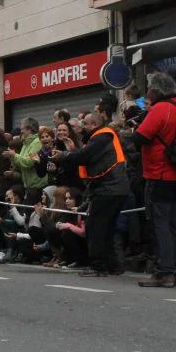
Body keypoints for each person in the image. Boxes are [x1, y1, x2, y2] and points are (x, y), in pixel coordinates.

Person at [133, 73, 176, 288]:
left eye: (149, 89)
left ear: (157, 90)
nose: (147, 93)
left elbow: (140, 137)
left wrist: (135, 127)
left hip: (161, 173)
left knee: (161, 224)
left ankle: (164, 272)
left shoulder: (161, 108)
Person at [52, 113, 129, 277]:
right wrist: (73, 151)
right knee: (107, 228)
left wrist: (64, 155)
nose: (82, 126)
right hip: (115, 188)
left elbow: (84, 156)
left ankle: (98, 266)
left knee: (95, 227)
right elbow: (87, 157)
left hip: (107, 188)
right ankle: (113, 265)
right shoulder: (105, 137)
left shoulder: (102, 136)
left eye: (85, 123)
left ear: (94, 124)